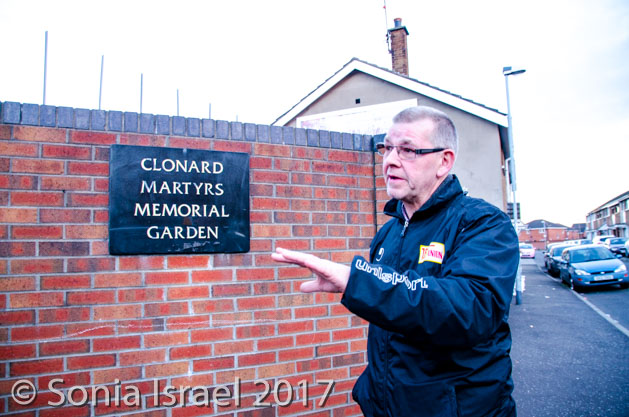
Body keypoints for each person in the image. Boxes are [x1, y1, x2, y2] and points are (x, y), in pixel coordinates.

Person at [272, 106, 519, 417]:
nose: (390, 160)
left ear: (444, 161)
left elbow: (470, 310)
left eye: (407, 150)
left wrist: (358, 281)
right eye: (386, 148)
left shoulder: (482, 224)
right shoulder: (388, 234)